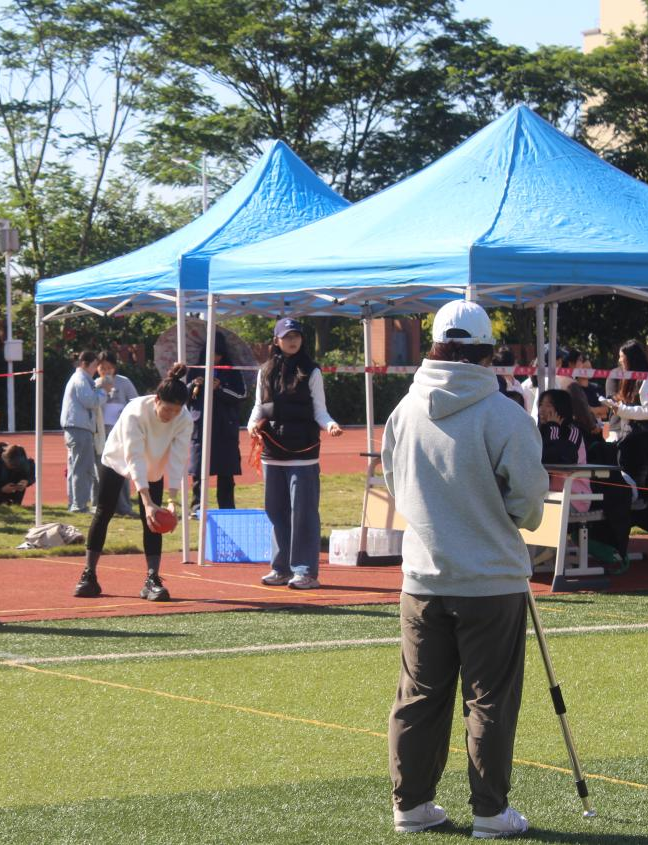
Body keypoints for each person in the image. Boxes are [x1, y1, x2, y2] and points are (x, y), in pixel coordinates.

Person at [382, 300, 547, 838]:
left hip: (423, 577)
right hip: (490, 578)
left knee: (419, 695)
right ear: (487, 351)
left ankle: (412, 804)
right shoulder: (504, 414)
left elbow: (395, 485)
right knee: (490, 698)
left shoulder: (404, 410)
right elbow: (530, 502)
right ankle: (490, 812)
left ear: (434, 345)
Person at [73, 364, 193, 603]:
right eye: (167, 409)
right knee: (104, 511)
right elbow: (133, 456)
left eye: (176, 410)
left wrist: (172, 500)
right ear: (157, 400)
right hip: (118, 457)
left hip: (153, 464)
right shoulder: (135, 412)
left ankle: (152, 579)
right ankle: (88, 575)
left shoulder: (184, 419)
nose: (171, 415)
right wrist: (146, 501)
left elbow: (178, 459)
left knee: (153, 520)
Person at [248, 318, 343, 590]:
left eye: (297, 336)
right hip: (272, 452)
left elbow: (320, 410)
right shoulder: (265, 371)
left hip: (304, 453)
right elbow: (259, 406)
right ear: (276, 340)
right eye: (287, 336)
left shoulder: (312, 371)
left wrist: (330, 425)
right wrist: (252, 424)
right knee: (276, 511)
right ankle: (280, 569)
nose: (293, 341)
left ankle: (305, 571)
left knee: (303, 512)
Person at [189, 331, 246, 514]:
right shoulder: (194, 369)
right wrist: (194, 386)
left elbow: (241, 395)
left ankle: (227, 508)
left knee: (226, 472)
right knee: (198, 471)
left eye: (218, 354)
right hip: (200, 426)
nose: (215, 357)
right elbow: (182, 396)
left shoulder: (232, 371)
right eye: (211, 353)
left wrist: (219, 388)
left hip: (225, 427)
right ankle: (197, 507)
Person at [60, 350, 107, 514]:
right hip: (79, 428)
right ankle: (79, 505)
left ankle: (74, 503)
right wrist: (103, 391)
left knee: (75, 467)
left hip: (76, 427)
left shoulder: (81, 379)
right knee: (82, 468)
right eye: (94, 365)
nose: (95, 369)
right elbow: (90, 401)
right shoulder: (81, 379)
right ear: (85, 365)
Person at [95, 351, 139, 516]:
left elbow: (135, 402)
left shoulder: (124, 382)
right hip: (102, 432)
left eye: (109, 368)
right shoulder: (95, 383)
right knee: (103, 468)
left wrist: (125, 412)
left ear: (115, 368)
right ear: (97, 369)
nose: (106, 371)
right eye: (102, 368)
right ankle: (104, 505)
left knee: (122, 467)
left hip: (120, 431)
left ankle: (124, 506)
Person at [537, 388, 589, 513]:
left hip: (573, 497)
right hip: (548, 496)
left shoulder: (573, 432)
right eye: (540, 405)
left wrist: (553, 427)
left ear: (561, 408)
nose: (542, 410)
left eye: (548, 405)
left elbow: (559, 459)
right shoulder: (540, 431)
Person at [601, 340, 648, 440]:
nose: (619, 360)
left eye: (622, 356)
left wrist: (621, 410)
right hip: (631, 436)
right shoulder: (631, 378)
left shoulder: (646, 381)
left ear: (631, 359)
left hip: (645, 438)